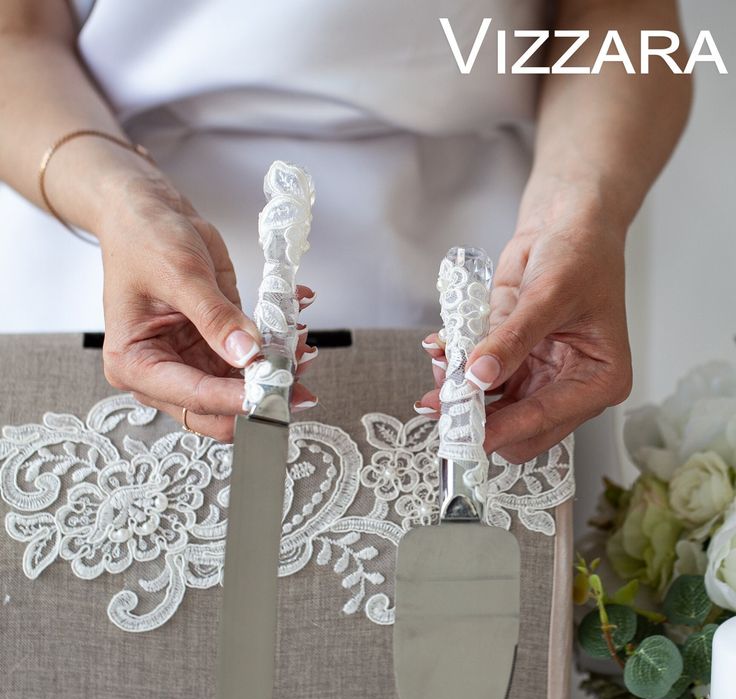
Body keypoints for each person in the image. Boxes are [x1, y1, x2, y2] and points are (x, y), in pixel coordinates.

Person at [0, 0, 691, 464]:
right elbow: (15, 33)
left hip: (493, 289)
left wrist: (578, 214)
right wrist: (121, 199)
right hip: (113, 257)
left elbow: (624, 15)